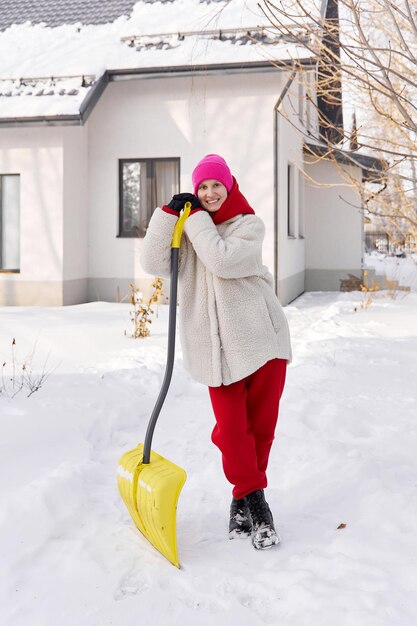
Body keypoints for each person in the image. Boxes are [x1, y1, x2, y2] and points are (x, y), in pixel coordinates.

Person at [141, 154, 292, 550]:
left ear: (229, 187)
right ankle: (257, 503)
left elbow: (223, 261)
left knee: (260, 431)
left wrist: (194, 222)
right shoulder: (190, 231)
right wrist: (167, 216)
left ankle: (243, 502)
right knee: (230, 431)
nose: (209, 193)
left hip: (262, 343)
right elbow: (153, 262)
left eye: (216, 186)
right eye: (202, 186)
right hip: (214, 352)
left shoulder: (248, 226)